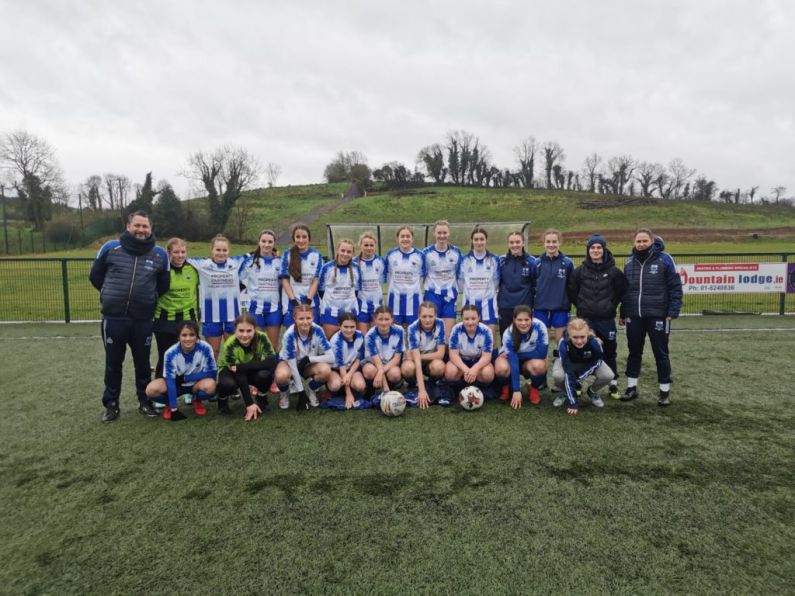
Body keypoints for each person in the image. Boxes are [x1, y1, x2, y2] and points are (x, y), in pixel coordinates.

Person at [89, 210, 170, 423]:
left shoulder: (160, 254)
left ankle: (144, 401)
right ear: (128, 226)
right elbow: (95, 276)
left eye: (145, 226)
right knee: (113, 363)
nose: (141, 230)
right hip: (114, 318)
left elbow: (163, 285)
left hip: (143, 320)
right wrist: (112, 296)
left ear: (150, 229)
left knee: (143, 363)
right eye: (137, 226)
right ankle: (112, 404)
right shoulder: (110, 248)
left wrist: (147, 299)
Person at [619, 229, 683, 406]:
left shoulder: (665, 259)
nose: (641, 244)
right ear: (634, 243)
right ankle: (631, 388)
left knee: (661, 353)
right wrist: (623, 312)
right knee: (634, 352)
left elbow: (675, 286)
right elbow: (626, 292)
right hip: (634, 315)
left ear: (652, 241)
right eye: (638, 241)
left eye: (644, 241)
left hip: (658, 315)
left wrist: (673, 310)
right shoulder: (629, 262)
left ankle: (664, 391)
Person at [567, 233, 627, 399]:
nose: (596, 250)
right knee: (580, 349)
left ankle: (613, 384)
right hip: (586, 320)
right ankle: (578, 383)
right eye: (592, 247)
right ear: (588, 250)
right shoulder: (579, 271)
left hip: (606, 319)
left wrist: (610, 306)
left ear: (604, 249)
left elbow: (621, 292)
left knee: (609, 351)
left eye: (599, 247)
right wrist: (582, 305)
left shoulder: (614, 272)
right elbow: (572, 291)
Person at [187, 234, 246, 360]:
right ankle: (213, 378)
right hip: (211, 316)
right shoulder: (202, 264)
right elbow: (180, 257)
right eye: (218, 250)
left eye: (224, 250)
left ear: (229, 251)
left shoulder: (236, 262)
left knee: (233, 351)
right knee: (214, 351)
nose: (221, 253)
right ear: (212, 250)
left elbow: (253, 254)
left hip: (233, 316)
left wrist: (273, 253)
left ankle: (233, 378)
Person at [145, 320, 217, 421]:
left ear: (197, 336)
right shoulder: (170, 353)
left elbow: (212, 372)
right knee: (151, 390)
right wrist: (174, 409)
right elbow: (170, 380)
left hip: (196, 385)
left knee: (211, 386)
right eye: (184, 335)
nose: (188, 338)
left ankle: (196, 399)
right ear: (178, 337)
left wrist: (185, 378)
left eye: (192, 335)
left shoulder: (205, 348)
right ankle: (169, 404)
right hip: (176, 385)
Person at [152, 237, 199, 378]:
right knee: (166, 355)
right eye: (176, 252)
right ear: (168, 253)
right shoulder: (160, 271)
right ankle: (161, 390)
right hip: (164, 320)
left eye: (183, 252)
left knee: (189, 355)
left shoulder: (194, 269)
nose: (180, 255)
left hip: (188, 319)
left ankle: (188, 388)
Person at [216, 312, 278, 420]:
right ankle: (222, 400)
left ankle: (262, 397)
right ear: (235, 330)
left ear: (255, 330)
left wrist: (244, 366)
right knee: (227, 384)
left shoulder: (262, 337)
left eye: (249, 330)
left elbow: (271, 362)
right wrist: (249, 404)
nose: (245, 335)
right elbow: (238, 372)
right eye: (241, 330)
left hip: (248, 370)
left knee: (265, 375)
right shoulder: (230, 344)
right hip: (231, 373)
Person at [274, 303, 333, 409]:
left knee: (326, 370)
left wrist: (309, 359)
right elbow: (293, 366)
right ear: (294, 318)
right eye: (301, 318)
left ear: (313, 317)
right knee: (281, 375)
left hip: (307, 364)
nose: (305, 322)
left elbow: (331, 357)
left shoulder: (318, 330)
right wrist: (301, 393)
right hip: (289, 364)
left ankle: (310, 390)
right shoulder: (289, 335)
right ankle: (284, 393)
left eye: (308, 318)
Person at [552, 318, 614, 415]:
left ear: (588, 334)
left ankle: (592, 392)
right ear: (569, 335)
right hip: (568, 363)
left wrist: (579, 377)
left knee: (608, 375)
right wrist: (573, 403)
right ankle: (566, 393)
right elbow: (568, 371)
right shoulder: (563, 343)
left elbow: (597, 361)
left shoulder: (594, 342)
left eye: (582, 337)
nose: (579, 341)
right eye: (575, 337)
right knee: (558, 376)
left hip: (589, 364)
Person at [494, 305, 548, 408]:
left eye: (526, 319)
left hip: (529, 360)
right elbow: (514, 363)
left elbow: (542, 353)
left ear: (532, 319)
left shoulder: (540, 327)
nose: (523, 323)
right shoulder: (508, 334)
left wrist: (516, 354)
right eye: (519, 320)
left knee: (540, 366)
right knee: (501, 368)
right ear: (514, 320)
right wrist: (516, 390)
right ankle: (506, 387)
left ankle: (534, 389)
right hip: (510, 359)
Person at [240, 229, 283, 351]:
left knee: (273, 346)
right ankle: (257, 370)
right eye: (263, 241)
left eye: (270, 242)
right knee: (256, 346)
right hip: (255, 308)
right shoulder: (250, 261)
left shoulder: (280, 262)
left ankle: (273, 370)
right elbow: (239, 279)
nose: (266, 244)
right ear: (259, 242)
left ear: (274, 244)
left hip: (274, 308)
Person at [445, 304, 495, 406]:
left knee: (488, 373)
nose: (470, 322)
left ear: (479, 318)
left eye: (473, 318)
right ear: (461, 319)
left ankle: (480, 390)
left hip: (478, 360)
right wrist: (466, 370)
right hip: (461, 360)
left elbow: (486, 356)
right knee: (450, 371)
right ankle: (457, 390)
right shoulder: (456, 329)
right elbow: (453, 355)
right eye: (466, 319)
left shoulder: (486, 331)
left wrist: (474, 369)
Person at [402, 301, 447, 409]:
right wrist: (421, 391)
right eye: (424, 316)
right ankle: (414, 387)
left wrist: (419, 356)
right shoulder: (412, 328)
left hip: (430, 360)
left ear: (435, 315)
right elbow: (416, 361)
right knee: (407, 368)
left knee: (439, 366)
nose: (427, 320)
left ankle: (431, 385)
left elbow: (440, 354)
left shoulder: (440, 324)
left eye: (431, 316)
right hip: (415, 361)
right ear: (418, 316)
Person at [422, 220, 462, 340]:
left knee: (447, 335)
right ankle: (430, 357)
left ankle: (444, 358)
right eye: (439, 232)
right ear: (434, 233)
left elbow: (459, 273)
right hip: (432, 296)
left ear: (449, 233)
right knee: (430, 332)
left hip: (450, 297)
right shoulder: (426, 253)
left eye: (444, 232)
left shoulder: (456, 252)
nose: (442, 236)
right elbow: (423, 275)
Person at [534, 228, 574, 348]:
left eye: (554, 241)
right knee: (541, 343)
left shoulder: (567, 263)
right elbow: (532, 284)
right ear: (544, 243)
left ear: (559, 242)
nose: (551, 245)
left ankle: (561, 364)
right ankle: (542, 365)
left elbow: (572, 285)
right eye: (548, 242)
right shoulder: (536, 263)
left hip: (560, 308)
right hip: (541, 307)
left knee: (561, 342)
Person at [459, 226, 500, 338]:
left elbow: (496, 281)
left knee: (490, 338)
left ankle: (491, 356)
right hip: (470, 303)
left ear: (486, 240)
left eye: (482, 239)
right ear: (472, 241)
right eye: (476, 239)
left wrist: (485, 293)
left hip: (488, 304)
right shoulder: (464, 260)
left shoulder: (494, 259)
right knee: (470, 337)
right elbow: (461, 282)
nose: (479, 242)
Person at [280, 224, 323, 328]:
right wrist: (294, 301)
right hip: (291, 302)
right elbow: (284, 280)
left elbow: (316, 280)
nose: (301, 240)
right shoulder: (287, 254)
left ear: (309, 238)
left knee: (311, 336)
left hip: (311, 302)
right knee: (292, 337)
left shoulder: (316, 255)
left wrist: (308, 302)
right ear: (293, 239)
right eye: (298, 237)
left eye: (304, 237)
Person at [324, 312, 368, 409]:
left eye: (352, 327)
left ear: (356, 326)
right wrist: (348, 394)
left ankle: (352, 391)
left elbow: (358, 358)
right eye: (346, 327)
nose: (349, 330)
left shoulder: (360, 336)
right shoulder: (336, 342)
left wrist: (350, 373)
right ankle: (339, 392)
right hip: (336, 369)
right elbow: (341, 366)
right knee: (335, 385)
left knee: (360, 386)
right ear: (339, 326)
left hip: (352, 368)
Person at [498, 231, 536, 338]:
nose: (515, 245)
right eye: (512, 242)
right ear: (508, 244)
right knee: (506, 338)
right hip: (505, 306)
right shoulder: (501, 261)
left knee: (525, 338)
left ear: (523, 243)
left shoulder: (532, 262)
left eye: (518, 242)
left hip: (524, 307)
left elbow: (535, 284)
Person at [384, 226, 425, 327]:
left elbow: (422, 278)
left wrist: (412, 288)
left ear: (412, 238)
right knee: (394, 329)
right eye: (402, 236)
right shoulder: (391, 254)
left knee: (414, 329)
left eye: (408, 236)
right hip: (395, 299)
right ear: (397, 238)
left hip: (414, 299)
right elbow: (389, 276)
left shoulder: (420, 255)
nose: (405, 239)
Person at [319, 238, 360, 338]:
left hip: (350, 312)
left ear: (353, 254)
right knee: (331, 344)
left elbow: (357, 290)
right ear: (338, 250)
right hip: (330, 312)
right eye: (343, 250)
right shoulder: (327, 267)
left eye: (349, 252)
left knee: (350, 343)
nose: (345, 254)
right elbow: (321, 290)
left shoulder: (356, 268)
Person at [362, 305, 405, 393]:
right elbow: (377, 363)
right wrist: (386, 390)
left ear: (392, 319)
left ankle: (393, 388)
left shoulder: (399, 331)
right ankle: (371, 389)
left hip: (390, 363)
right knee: (369, 371)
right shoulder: (370, 336)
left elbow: (397, 358)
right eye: (380, 319)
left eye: (386, 319)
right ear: (375, 320)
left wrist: (381, 372)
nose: (383, 323)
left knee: (395, 374)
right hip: (374, 364)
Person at [354, 231, 386, 334]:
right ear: (360, 246)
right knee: (363, 337)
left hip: (377, 305)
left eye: (371, 245)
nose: (369, 248)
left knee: (375, 336)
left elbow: (381, 281)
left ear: (375, 246)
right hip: (361, 305)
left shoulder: (380, 262)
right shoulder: (354, 263)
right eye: (366, 245)